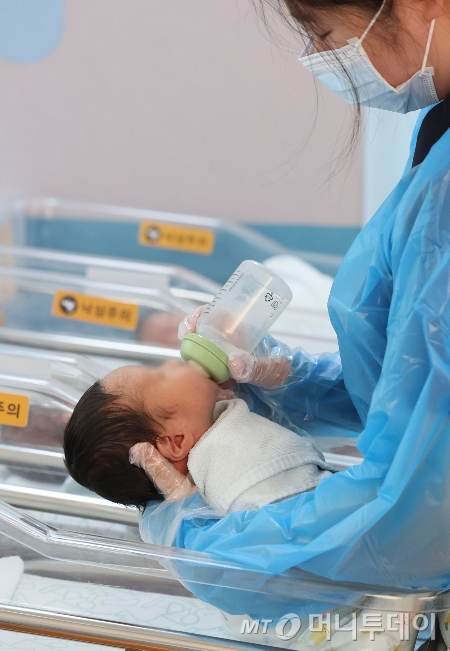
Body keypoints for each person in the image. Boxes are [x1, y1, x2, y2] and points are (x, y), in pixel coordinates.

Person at [135, 0, 450, 646]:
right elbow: (412, 387)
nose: (324, 57)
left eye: (325, 34)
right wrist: (290, 381)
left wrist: (201, 543)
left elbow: (414, 509)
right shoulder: (437, 132)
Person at [63, 361, 333, 513]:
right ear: (176, 442)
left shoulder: (219, 434)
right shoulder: (238, 475)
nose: (172, 362)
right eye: (161, 376)